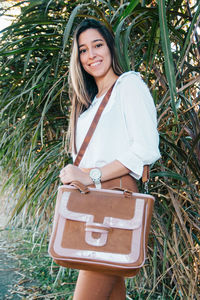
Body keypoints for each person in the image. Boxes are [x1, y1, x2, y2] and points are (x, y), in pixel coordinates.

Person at [59, 18, 160, 300]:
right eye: (83, 50)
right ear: (78, 59)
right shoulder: (88, 108)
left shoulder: (129, 86)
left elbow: (145, 148)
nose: (91, 55)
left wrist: (90, 174)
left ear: (111, 48)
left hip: (116, 202)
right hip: (93, 208)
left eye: (98, 45)